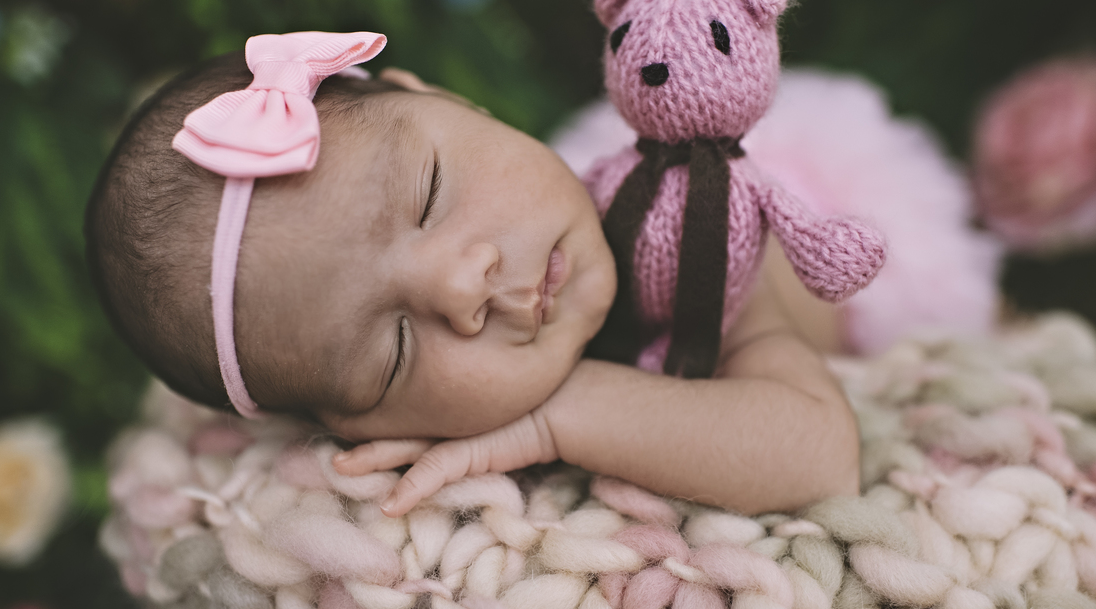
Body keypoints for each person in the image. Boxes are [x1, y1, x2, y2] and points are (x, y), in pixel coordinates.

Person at [86, 33, 859, 523]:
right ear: (357, 433)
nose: (461, 287)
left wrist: (557, 414)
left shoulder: (693, 228)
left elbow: (819, 456)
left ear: (449, 101)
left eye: (429, 193)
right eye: (392, 352)